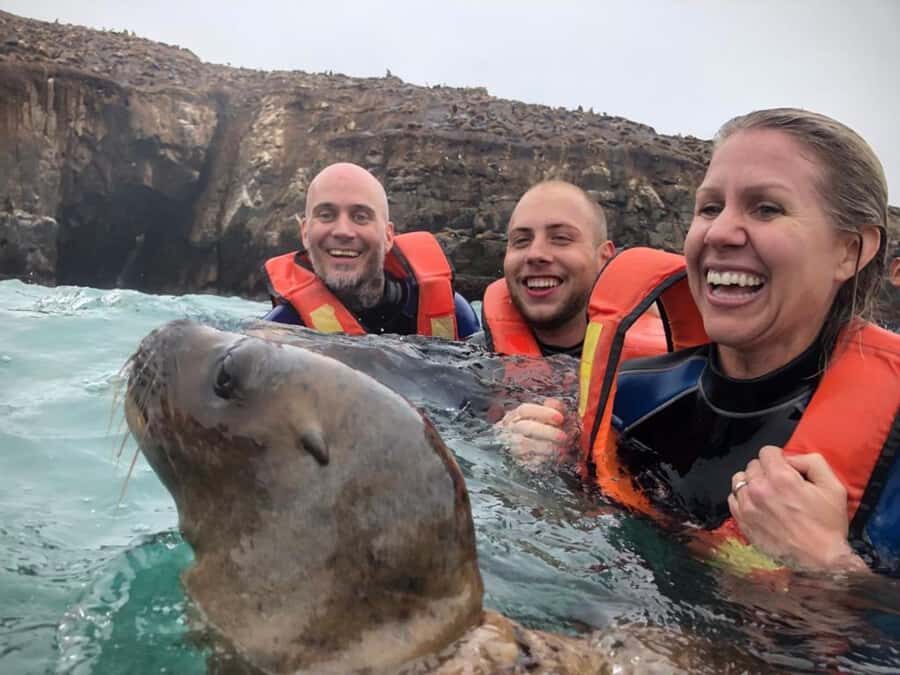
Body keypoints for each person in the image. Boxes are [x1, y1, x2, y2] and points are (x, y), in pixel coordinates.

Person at [575, 108, 899, 575]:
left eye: (767, 208)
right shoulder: (628, 396)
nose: (720, 232)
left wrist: (831, 567)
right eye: (709, 207)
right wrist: (539, 462)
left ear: (850, 251)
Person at [473, 180, 668, 464]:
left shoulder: (663, 374)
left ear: (604, 258)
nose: (535, 254)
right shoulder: (475, 366)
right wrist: (492, 448)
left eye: (561, 238)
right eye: (521, 241)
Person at [262, 162, 479, 339]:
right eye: (326, 215)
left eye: (360, 216)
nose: (343, 231)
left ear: (388, 236)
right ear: (305, 233)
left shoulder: (455, 316)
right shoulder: (280, 334)